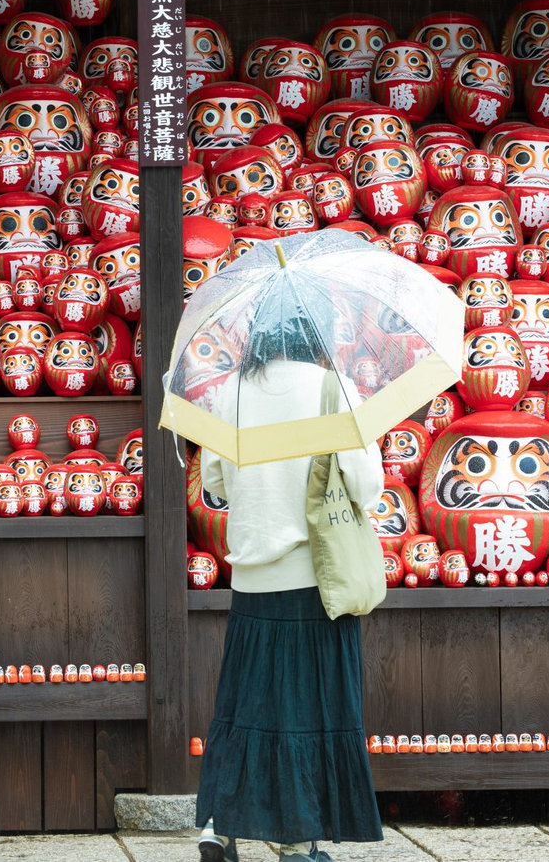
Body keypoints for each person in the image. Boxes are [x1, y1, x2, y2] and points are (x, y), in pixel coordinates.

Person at [193, 315, 385, 862]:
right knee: (307, 712)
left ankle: (218, 830)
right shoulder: (331, 388)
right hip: (314, 579)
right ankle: (296, 842)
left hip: (253, 582)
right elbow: (366, 485)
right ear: (313, 334)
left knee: (245, 708)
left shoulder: (230, 392)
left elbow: (214, 483)